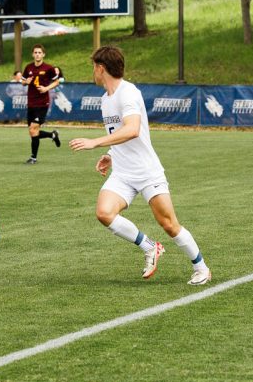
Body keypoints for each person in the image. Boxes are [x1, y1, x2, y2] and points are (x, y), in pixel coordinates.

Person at [70, 46, 212, 286]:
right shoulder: (106, 100)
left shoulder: (128, 93)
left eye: (93, 67)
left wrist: (95, 142)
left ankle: (201, 268)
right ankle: (150, 247)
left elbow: (133, 129)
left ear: (101, 68)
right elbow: (119, 133)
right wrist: (110, 154)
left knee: (168, 224)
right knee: (104, 213)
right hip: (123, 173)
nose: (92, 72)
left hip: (147, 172)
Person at [12, 44, 62, 164]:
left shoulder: (48, 68)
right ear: (33, 54)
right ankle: (52, 135)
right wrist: (25, 82)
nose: (37, 54)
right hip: (31, 103)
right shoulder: (29, 67)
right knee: (32, 131)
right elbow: (23, 81)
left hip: (42, 103)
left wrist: (46, 88)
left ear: (43, 54)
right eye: (35, 52)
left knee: (34, 129)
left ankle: (33, 158)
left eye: (40, 52)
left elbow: (57, 82)